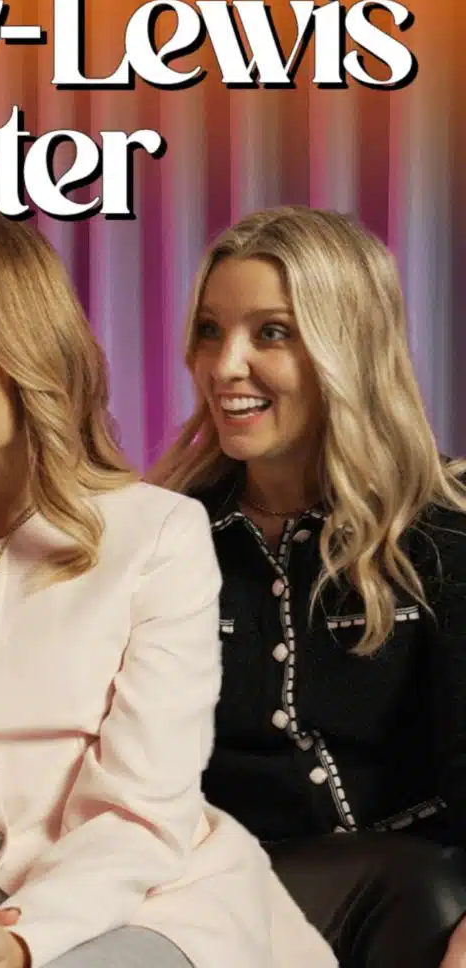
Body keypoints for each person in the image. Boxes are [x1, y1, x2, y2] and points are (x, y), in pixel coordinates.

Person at [0, 212, 336, 968]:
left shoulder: (157, 534)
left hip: (139, 906)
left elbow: (141, 810)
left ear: (28, 353)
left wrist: (20, 938)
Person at [148, 205, 466, 968]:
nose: (225, 366)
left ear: (347, 346)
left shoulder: (447, 531)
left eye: (272, 333)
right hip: (216, 909)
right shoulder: (162, 536)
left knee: (421, 883)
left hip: (420, 909)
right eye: (209, 331)